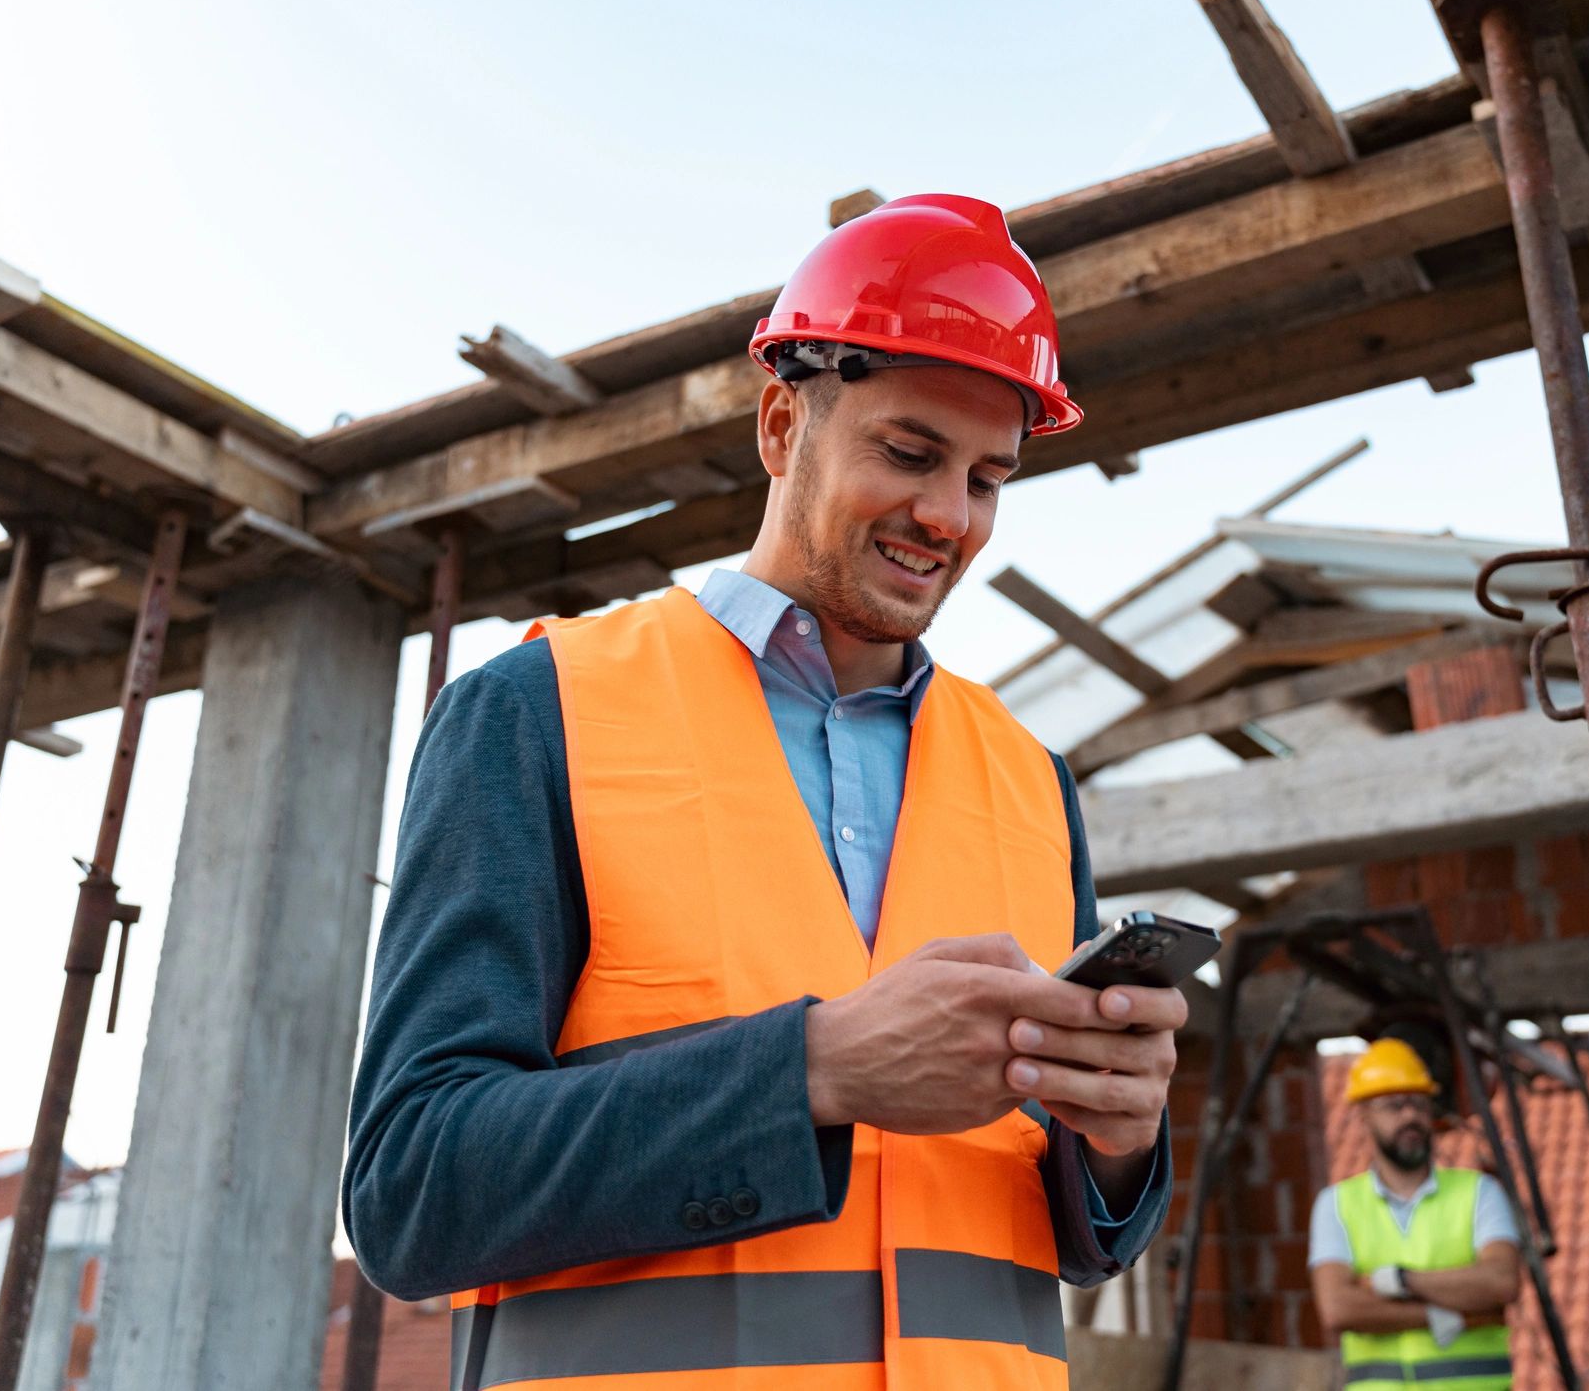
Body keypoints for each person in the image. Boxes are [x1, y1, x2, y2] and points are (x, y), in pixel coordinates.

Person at [343, 194, 1178, 1391]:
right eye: (908, 453)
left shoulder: (1031, 781)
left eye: (989, 477)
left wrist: (1119, 1139)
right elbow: (411, 1190)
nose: (947, 516)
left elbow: (1064, 1237)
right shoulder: (539, 710)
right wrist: (815, 1069)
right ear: (783, 423)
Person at [1309, 1038, 1521, 1389]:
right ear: (1364, 1117)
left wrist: (1399, 1281)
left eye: (1419, 1104)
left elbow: (1500, 1282)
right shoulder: (1336, 1204)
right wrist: (1448, 1314)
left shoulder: (1480, 1193)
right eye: (1394, 1106)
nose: (1410, 1116)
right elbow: (1339, 1308)